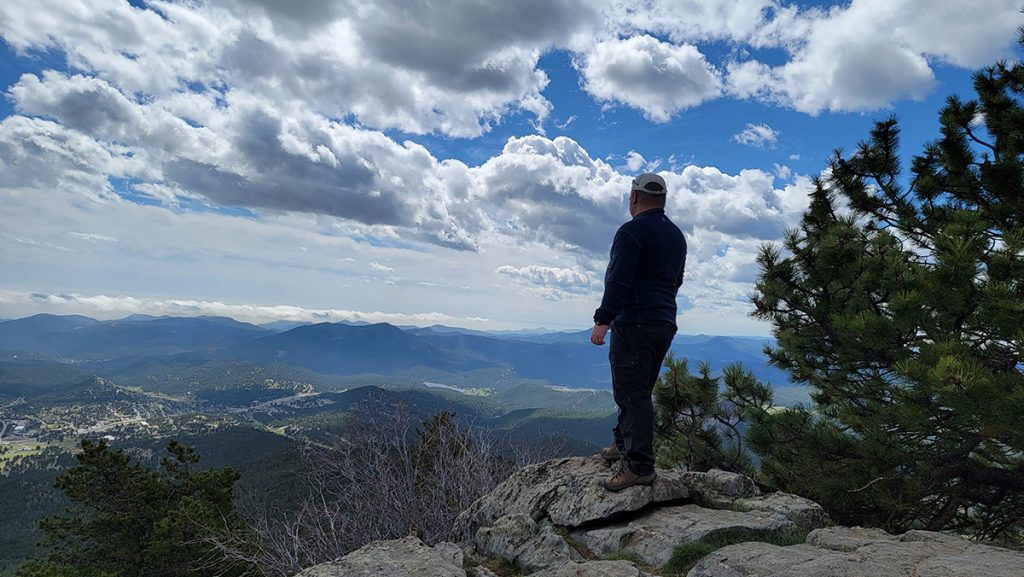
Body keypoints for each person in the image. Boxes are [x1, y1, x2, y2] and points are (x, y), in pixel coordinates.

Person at [591, 172, 687, 492]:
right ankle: (622, 444)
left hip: (635, 322)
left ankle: (639, 465)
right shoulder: (676, 236)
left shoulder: (630, 232)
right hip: (664, 323)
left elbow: (619, 279)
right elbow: (676, 280)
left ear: (633, 197)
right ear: (664, 199)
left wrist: (604, 320)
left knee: (631, 393)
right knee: (637, 389)